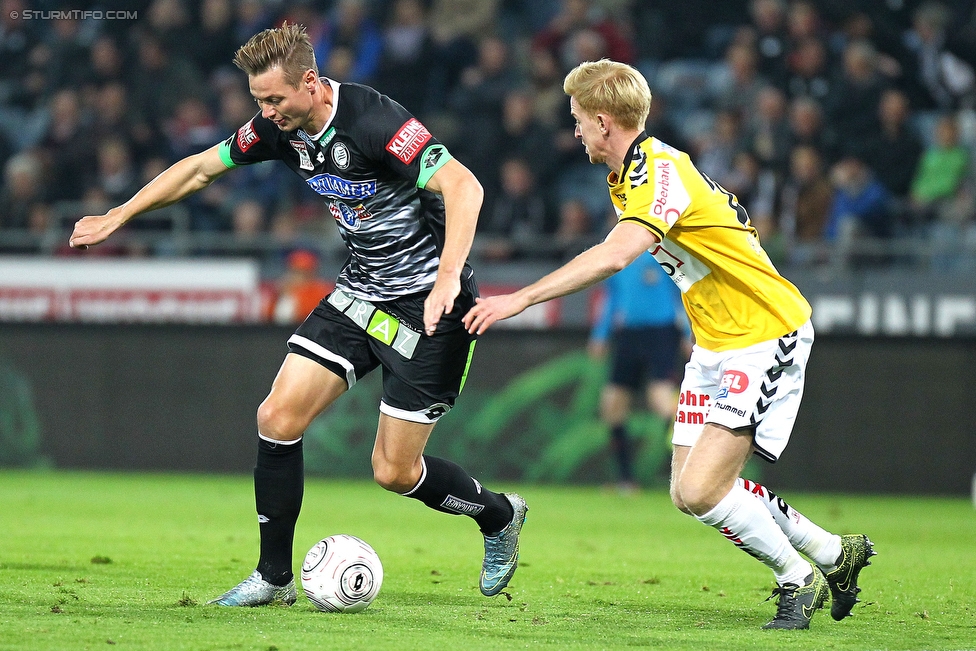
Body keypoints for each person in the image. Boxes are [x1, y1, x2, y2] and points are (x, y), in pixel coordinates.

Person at [68, 23, 527, 607]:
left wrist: (445, 280)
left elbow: (465, 187)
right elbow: (200, 168)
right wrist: (119, 214)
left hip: (429, 308)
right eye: (258, 100)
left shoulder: (373, 119)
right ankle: (273, 577)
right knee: (277, 417)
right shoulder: (277, 127)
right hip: (360, 293)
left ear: (311, 83)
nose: (265, 113)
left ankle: (497, 514)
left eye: (274, 99)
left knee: (393, 470)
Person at [463, 59, 875, 630]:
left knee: (707, 489)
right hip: (715, 342)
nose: (575, 129)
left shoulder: (660, 170)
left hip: (762, 332)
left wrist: (521, 298)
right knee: (687, 491)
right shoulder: (630, 174)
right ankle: (834, 554)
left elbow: (613, 255)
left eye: (579, 118)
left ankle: (796, 580)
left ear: (604, 122)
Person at [588, 253, 687, 492]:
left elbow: (682, 294)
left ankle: (690, 463)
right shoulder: (616, 252)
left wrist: (686, 332)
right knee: (612, 406)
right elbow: (612, 297)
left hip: (661, 333)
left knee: (661, 400)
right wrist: (600, 334)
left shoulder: (662, 250)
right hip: (628, 334)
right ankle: (626, 481)